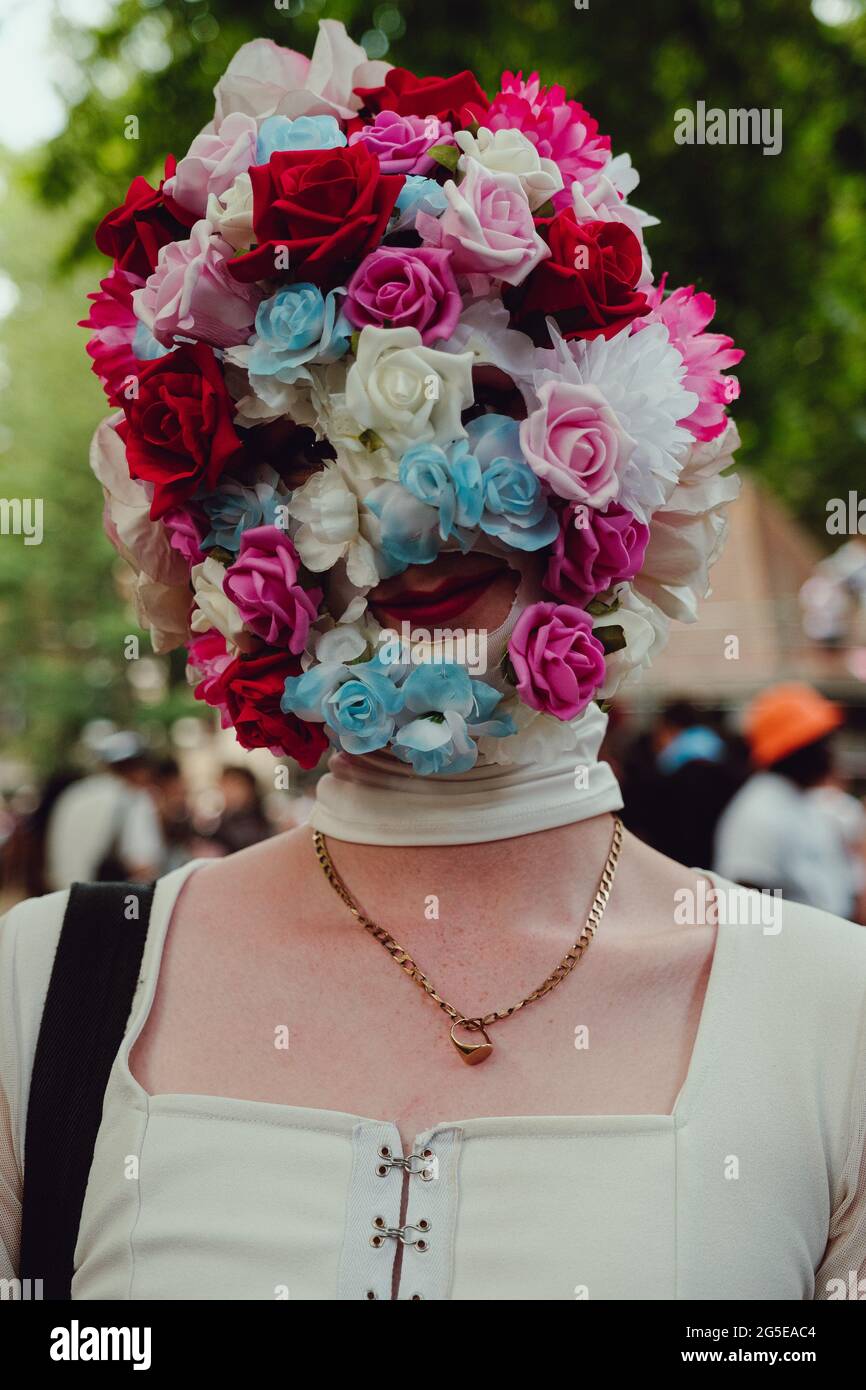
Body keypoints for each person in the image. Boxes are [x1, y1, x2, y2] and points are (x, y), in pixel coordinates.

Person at [2, 21, 865, 1304]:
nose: (407, 513)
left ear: (614, 449)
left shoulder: (833, 1023)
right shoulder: (42, 996)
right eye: (307, 443)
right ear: (206, 508)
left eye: (486, 408)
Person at [714, 683, 859, 919]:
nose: (831, 753)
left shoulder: (799, 800)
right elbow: (747, 904)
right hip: (797, 951)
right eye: (824, 744)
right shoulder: (759, 811)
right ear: (797, 749)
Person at [43, 733, 165, 890]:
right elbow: (142, 863)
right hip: (114, 900)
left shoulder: (74, 794)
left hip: (66, 897)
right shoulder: (133, 797)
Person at [208, 766, 273, 856]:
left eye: (233, 785)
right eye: (224, 785)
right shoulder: (223, 819)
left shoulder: (258, 821)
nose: (227, 791)